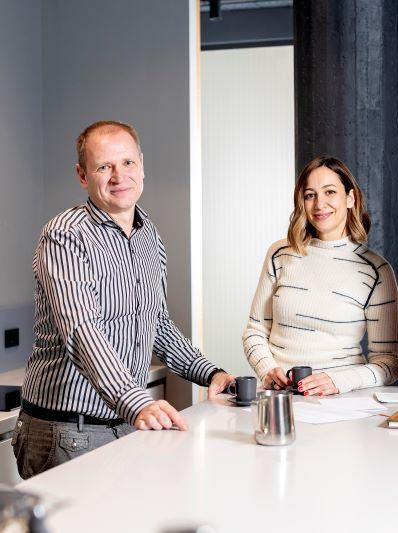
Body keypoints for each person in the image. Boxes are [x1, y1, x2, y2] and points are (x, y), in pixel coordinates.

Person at [13, 120, 235, 479]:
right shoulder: (64, 236)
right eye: (104, 166)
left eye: (128, 163)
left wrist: (210, 372)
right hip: (66, 432)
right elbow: (81, 331)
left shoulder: (150, 237)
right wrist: (136, 403)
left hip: (126, 423)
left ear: (142, 165)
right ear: (83, 175)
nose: (119, 176)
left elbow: (157, 323)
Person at [242, 156, 398, 395]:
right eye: (310, 195)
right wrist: (267, 370)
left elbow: (389, 363)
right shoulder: (279, 254)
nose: (319, 204)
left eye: (329, 192)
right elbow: (255, 331)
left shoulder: (376, 270)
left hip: (343, 405)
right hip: (280, 399)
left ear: (350, 198)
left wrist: (339, 381)